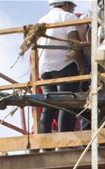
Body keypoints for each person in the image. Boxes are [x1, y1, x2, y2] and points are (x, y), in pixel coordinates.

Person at [37, 0, 84, 133]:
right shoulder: (67, 17)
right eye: (72, 7)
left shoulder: (41, 21)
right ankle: (64, 137)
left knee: (49, 104)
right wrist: (81, 67)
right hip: (64, 66)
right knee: (67, 103)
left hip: (45, 69)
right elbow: (74, 45)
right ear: (66, 4)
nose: (72, 10)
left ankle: (44, 139)